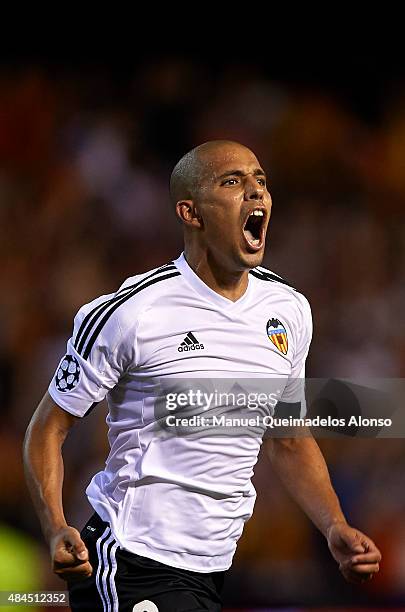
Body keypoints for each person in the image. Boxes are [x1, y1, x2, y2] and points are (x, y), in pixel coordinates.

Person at [23, 140, 381, 611]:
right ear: (191, 213)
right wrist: (54, 526)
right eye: (233, 182)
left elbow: (288, 436)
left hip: (213, 569)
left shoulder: (289, 310)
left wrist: (334, 524)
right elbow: (47, 427)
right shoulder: (132, 313)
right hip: (130, 559)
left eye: (261, 181)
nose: (256, 192)